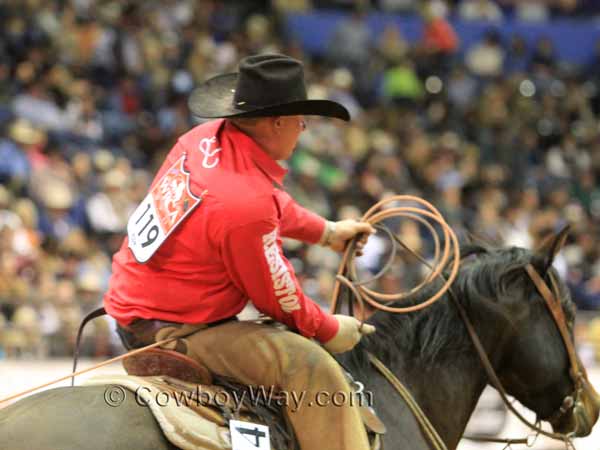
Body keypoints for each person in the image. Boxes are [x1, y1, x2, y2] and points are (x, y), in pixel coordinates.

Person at [103, 53, 376, 450]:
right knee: (311, 367)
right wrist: (331, 329)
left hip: (134, 303)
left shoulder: (201, 139)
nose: (303, 129)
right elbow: (278, 298)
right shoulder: (246, 203)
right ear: (277, 122)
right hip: (172, 327)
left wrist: (327, 232)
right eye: (301, 120)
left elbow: (265, 204)